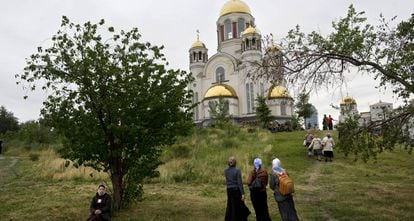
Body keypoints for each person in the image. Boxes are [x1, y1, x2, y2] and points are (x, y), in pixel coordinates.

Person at [225, 156, 250, 221]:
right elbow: (239, 183)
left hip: (229, 190)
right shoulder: (237, 171)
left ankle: (231, 218)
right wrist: (242, 193)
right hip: (236, 189)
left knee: (230, 204)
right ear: (235, 163)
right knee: (239, 205)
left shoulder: (226, 171)